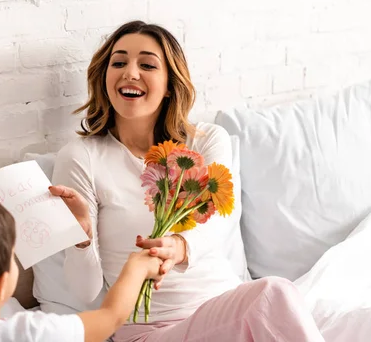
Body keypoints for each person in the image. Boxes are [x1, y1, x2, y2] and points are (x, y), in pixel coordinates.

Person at [52, 20, 325, 341]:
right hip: (153, 329)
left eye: (147, 64)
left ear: (169, 83)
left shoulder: (206, 141)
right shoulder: (81, 157)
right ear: (105, 76)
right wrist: (80, 239)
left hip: (225, 305)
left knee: (271, 299)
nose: (130, 72)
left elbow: (218, 218)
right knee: (272, 293)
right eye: (119, 62)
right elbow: (85, 292)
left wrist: (181, 246)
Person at [0, 190, 163, 342]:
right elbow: (110, 319)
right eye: (12, 256)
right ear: (1, 285)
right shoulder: (28, 334)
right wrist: (136, 270)